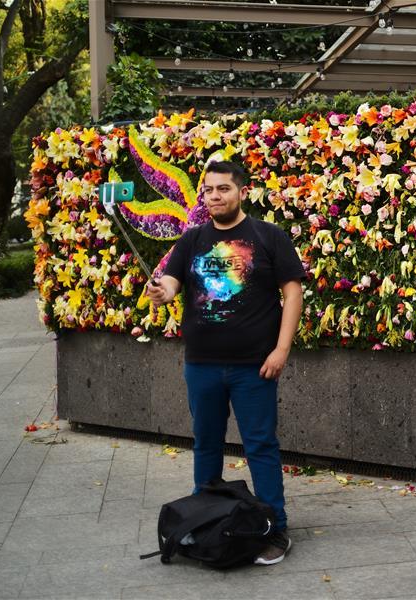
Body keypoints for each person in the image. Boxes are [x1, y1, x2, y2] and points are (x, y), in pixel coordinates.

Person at [146, 160, 305, 565]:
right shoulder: (192, 240)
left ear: (242, 192)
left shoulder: (269, 236)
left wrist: (281, 349)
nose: (215, 197)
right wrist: (161, 290)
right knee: (206, 445)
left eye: (223, 189)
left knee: (261, 446)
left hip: (255, 365)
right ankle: (205, 521)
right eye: (209, 190)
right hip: (202, 364)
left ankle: (275, 526)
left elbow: (293, 293)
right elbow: (171, 282)